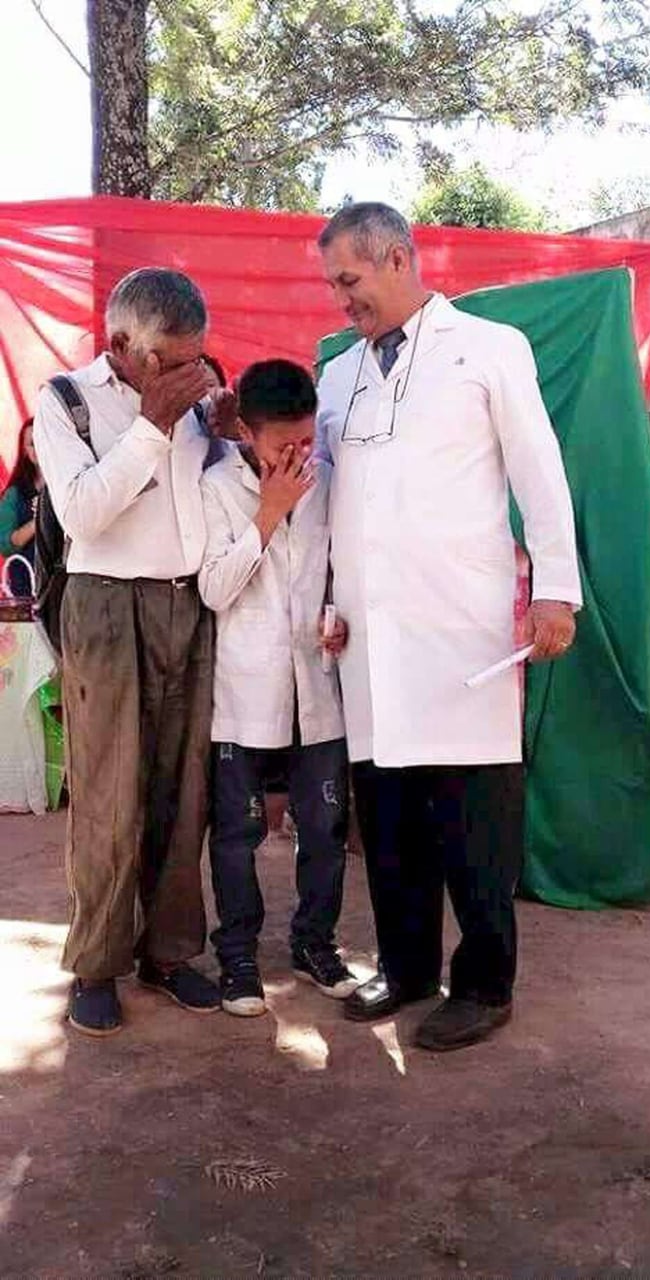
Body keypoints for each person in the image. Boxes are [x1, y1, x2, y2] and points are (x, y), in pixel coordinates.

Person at [316, 202, 582, 1052]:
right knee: (388, 824)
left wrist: (557, 591)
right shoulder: (337, 376)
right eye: (334, 286)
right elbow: (326, 505)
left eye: (349, 281)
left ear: (398, 258)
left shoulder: (489, 349)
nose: (341, 301)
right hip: (366, 640)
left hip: (461, 634)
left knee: (473, 830)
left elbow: (540, 476)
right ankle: (403, 968)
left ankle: (484, 984)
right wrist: (328, 600)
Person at [34, 267, 230, 1037]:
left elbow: (202, 497)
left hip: (187, 603)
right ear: (121, 344)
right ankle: (96, 962)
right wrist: (153, 425)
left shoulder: (192, 401)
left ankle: (171, 953)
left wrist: (226, 431)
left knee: (186, 792)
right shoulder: (66, 402)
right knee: (110, 792)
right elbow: (82, 512)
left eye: (196, 358)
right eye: (172, 360)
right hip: (107, 605)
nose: (189, 373)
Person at [199, 359, 357, 1016]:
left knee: (324, 828)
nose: (297, 456)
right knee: (237, 833)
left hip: (315, 689)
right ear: (245, 431)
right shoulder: (216, 487)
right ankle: (237, 954)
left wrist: (338, 618)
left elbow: (336, 573)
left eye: (304, 441)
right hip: (243, 695)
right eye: (280, 446)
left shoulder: (326, 482)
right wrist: (267, 514)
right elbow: (213, 588)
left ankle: (313, 942)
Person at [0, 418, 42, 597]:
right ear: (25, 451)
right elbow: (5, 545)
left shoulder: (70, 482)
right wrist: (39, 520)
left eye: (43, 439)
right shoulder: (15, 494)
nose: (39, 447)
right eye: (32, 444)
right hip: (28, 584)